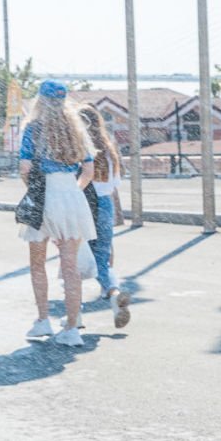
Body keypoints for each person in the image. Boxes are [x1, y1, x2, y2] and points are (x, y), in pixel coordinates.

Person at [18, 81, 96, 347]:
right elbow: (88, 171)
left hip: (44, 194)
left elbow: (25, 168)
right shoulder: (76, 129)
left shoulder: (33, 128)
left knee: (38, 262)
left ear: (40, 100)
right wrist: (71, 192)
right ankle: (72, 328)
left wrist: (35, 190)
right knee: (70, 266)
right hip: (72, 196)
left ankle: (43, 320)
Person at [78, 104, 131, 328]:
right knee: (102, 252)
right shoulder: (109, 148)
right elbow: (115, 181)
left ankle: (79, 311)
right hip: (106, 203)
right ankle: (112, 293)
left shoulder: (81, 147)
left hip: (86, 203)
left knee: (77, 256)